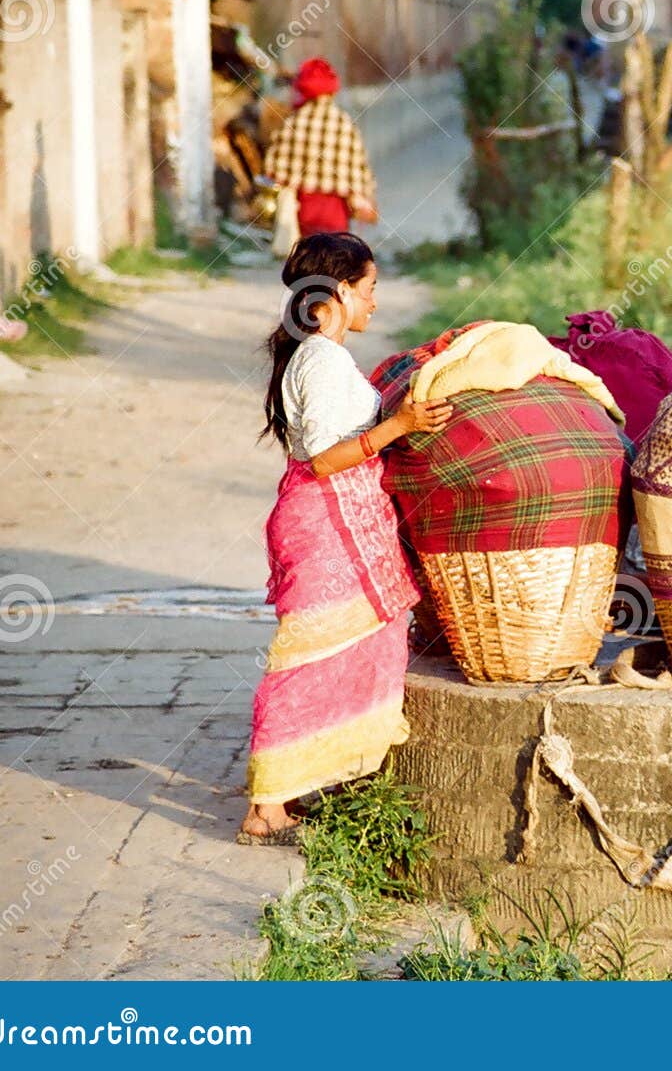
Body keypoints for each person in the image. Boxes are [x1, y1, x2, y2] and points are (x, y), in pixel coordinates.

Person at [241, 233, 452, 844]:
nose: (375, 303)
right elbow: (330, 460)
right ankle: (265, 808)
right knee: (306, 660)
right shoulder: (323, 361)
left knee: (344, 650)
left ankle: (294, 787)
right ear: (335, 293)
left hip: (329, 523)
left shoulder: (315, 355)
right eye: (369, 289)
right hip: (326, 523)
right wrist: (401, 425)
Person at [264, 57, 379, 239]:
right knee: (337, 250)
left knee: (310, 250)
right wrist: (365, 194)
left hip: (305, 206)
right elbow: (359, 167)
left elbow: (274, 166)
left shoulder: (295, 122)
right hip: (336, 209)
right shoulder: (344, 122)